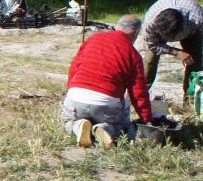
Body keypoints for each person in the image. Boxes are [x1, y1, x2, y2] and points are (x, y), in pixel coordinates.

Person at [62, 15, 154, 147]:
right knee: (122, 128)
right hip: (105, 106)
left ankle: (78, 126)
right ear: (136, 32)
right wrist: (147, 120)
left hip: (76, 99)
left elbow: (74, 69)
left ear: (117, 26)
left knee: (66, 122)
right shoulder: (133, 54)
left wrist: (71, 92)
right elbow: (138, 93)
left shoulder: (93, 39)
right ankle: (105, 129)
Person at [139, 0, 203, 99]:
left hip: (191, 31)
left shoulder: (196, 17)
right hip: (157, 34)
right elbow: (152, 44)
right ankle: (139, 98)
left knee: (195, 65)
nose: (168, 39)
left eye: (170, 37)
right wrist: (176, 52)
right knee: (149, 63)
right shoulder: (151, 22)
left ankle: (190, 100)